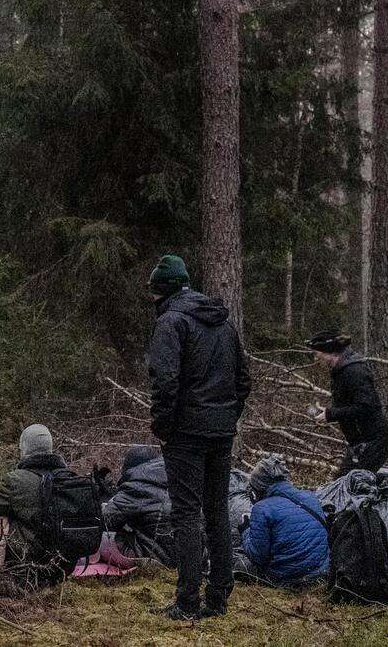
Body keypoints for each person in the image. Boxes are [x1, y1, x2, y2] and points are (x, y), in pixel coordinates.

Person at [146, 253, 252, 624]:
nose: (152, 300)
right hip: (220, 432)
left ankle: (188, 600)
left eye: (153, 292)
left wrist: (164, 426)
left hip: (187, 435)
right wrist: (226, 416)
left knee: (187, 514)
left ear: (163, 291)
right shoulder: (224, 325)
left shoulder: (170, 323)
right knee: (217, 511)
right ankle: (219, 596)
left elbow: (164, 383)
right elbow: (243, 381)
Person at [0, 424, 83, 588]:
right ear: (50, 447)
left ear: (24, 448)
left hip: (26, 560)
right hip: (65, 563)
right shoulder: (70, 478)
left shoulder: (15, 480)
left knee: (0, 520)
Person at [307, 331, 388, 474]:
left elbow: (366, 407)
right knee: (345, 486)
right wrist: (328, 412)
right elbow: (351, 404)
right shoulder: (340, 371)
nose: (315, 358)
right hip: (360, 443)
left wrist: (332, 414)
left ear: (331, 352)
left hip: (373, 442)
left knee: (348, 487)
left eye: (317, 353)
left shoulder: (354, 371)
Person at [238, 456, 329, 589]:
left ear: (258, 486)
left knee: (236, 562)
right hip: (321, 573)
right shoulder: (311, 496)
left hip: (286, 578)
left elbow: (257, 556)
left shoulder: (262, 508)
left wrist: (245, 530)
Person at [101, 444, 172, 563]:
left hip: (154, 557)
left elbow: (105, 522)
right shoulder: (179, 480)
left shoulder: (136, 487)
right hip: (191, 557)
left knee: (98, 537)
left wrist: (104, 498)